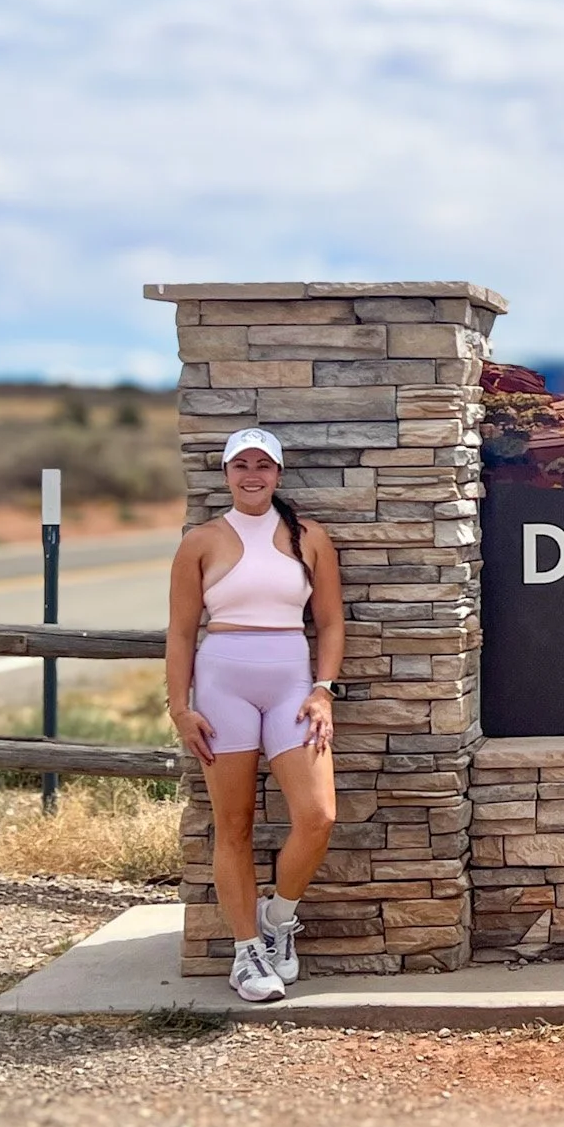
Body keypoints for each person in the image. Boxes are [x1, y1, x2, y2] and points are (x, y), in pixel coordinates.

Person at [165, 427, 343, 1002]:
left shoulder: (309, 538)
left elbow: (332, 623)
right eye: (240, 464)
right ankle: (246, 954)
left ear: (278, 474)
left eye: (262, 465)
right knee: (234, 825)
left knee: (317, 816)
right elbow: (181, 630)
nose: (251, 475)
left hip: (292, 684)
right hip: (222, 686)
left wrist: (322, 689)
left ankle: (278, 919)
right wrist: (180, 707)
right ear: (225, 474)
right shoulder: (200, 541)